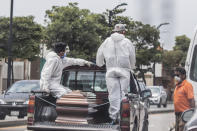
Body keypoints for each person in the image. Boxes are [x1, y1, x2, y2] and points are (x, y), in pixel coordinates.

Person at [96, 24, 136, 123]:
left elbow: (99, 54)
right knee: (123, 94)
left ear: (114, 31)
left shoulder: (106, 41)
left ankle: (114, 117)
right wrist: (132, 67)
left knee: (113, 95)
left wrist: (100, 64)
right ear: (124, 32)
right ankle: (122, 116)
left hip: (110, 71)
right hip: (124, 70)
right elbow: (132, 56)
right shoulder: (127, 42)